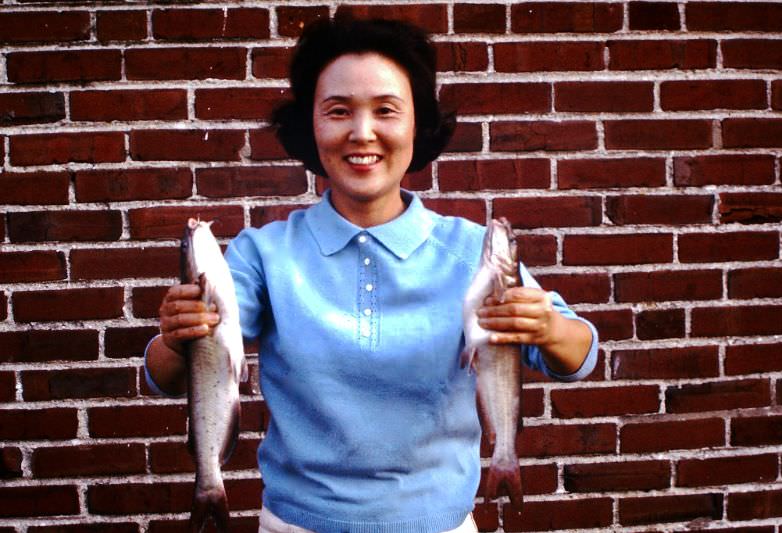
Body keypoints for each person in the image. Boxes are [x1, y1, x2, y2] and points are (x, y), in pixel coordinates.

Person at [144, 16, 598, 533]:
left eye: (386, 110)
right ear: (310, 125)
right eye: (338, 111)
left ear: (416, 123)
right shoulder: (263, 253)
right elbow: (167, 374)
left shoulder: (473, 250)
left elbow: (577, 357)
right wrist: (175, 336)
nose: (362, 133)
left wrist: (549, 326)